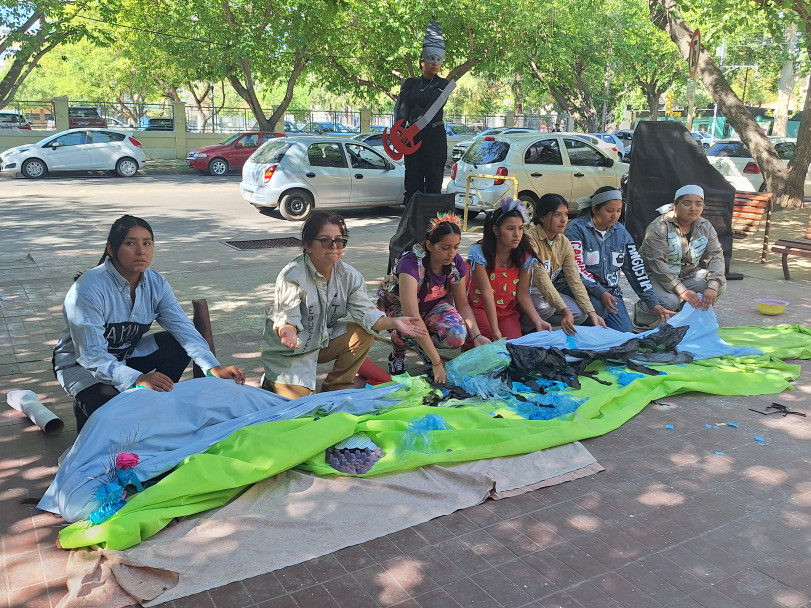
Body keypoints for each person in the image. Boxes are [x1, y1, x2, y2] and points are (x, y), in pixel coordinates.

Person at [53, 215, 246, 432]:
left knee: (176, 345)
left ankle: (154, 399)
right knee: (113, 416)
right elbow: (92, 356)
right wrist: (138, 378)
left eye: (147, 243)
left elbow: (183, 329)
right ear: (111, 248)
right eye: (130, 243)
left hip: (124, 357)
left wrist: (213, 367)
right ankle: (87, 404)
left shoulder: (156, 283)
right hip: (82, 367)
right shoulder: (88, 289)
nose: (140, 251)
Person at [262, 212, 426, 399]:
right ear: (307, 245)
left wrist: (394, 322)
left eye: (339, 241)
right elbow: (287, 314)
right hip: (290, 350)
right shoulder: (292, 275)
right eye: (325, 241)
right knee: (303, 408)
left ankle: (336, 387)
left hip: (321, 340)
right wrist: (288, 330)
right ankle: (271, 380)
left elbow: (366, 315)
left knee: (363, 333)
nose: (334, 247)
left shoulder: (350, 275)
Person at [379, 212, 489, 384]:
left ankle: (425, 347)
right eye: (444, 248)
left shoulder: (455, 263)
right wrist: (437, 363)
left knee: (457, 334)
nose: (451, 253)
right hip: (401, 311)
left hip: (433, 307)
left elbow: (463, 304)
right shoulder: (410, 264)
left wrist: (476, 336)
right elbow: (413, 317)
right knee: (407, 329)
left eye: (456, 247)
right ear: (429, 245)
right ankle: (397, 354)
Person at [563, 186, 673, 333]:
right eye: (609, 211)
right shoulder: (576, 229)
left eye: (619, 210)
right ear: (595, 209)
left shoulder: (621, 232)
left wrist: (654, 304)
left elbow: (636, 270)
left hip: (611, 293)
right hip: (581, 290)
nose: (615, 215)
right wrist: (600, 292)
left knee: (624, 335)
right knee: (599, 308)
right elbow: (576, 270)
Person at [634, 185, 726, 327]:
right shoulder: (659, 227)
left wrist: (713, 285)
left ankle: (684, 318)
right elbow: (658, 265)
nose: (693, 208)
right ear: (675, 205)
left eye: (698, 204)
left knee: (717, 285)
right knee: (669, 301)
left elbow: (716, 256)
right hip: (654, 275)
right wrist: (682, 291)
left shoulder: (705, 226)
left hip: (686, 274)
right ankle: (642, 316)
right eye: (686, 203)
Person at [466, 198, 551, 343]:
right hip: (480, 309)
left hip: (507, 313)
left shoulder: (524, 256)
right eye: (510, 229)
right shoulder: (480, 253)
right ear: (496, 230)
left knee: (513, 346)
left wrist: (537, 321)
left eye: (520, 228)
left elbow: (523, 294)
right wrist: (495, 330)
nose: (517, 234)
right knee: (488, 342)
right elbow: (487, 294)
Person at [524, 193, 607, 335]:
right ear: (543, 217)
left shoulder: (564, 242)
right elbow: (541, 280)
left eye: (566, 214)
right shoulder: (529, 239)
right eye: (557, 215)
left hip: (547, 291)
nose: (564, 220)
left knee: (581, 314)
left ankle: (540, 326)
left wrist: (591, 312)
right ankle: (523, 328)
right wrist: (564, 310)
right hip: (527, 290)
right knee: (546, 308)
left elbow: (574, 279)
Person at [392, 21, 451, 204]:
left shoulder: (444, 85)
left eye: (439, 60)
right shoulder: (409, 83)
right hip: (411, 138)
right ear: (422, 62)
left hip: (434, 137)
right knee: (413, 178)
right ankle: (411, 220)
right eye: (431, 59)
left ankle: (433, 224)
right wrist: (399, 132)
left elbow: (431, 111)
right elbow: (401, 108)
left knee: (434, 179)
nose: (435, 64)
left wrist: (409, 131)